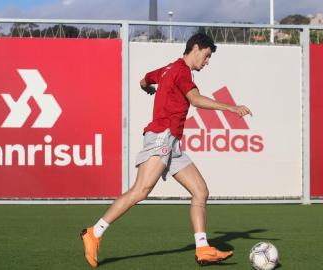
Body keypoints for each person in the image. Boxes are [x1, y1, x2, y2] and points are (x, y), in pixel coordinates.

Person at [80, 33, 252, 267]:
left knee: (200, 191)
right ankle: (94, 232)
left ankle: (202, 248)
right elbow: (196, 99)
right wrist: (231, 108)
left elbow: (145, 80)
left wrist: (148, 88)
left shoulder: (168, 68)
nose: (207, 61)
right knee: (140, 190)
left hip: (172, 143)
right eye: (207, 55)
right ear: (195, 48)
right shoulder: (181, 71)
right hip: (162, 137)